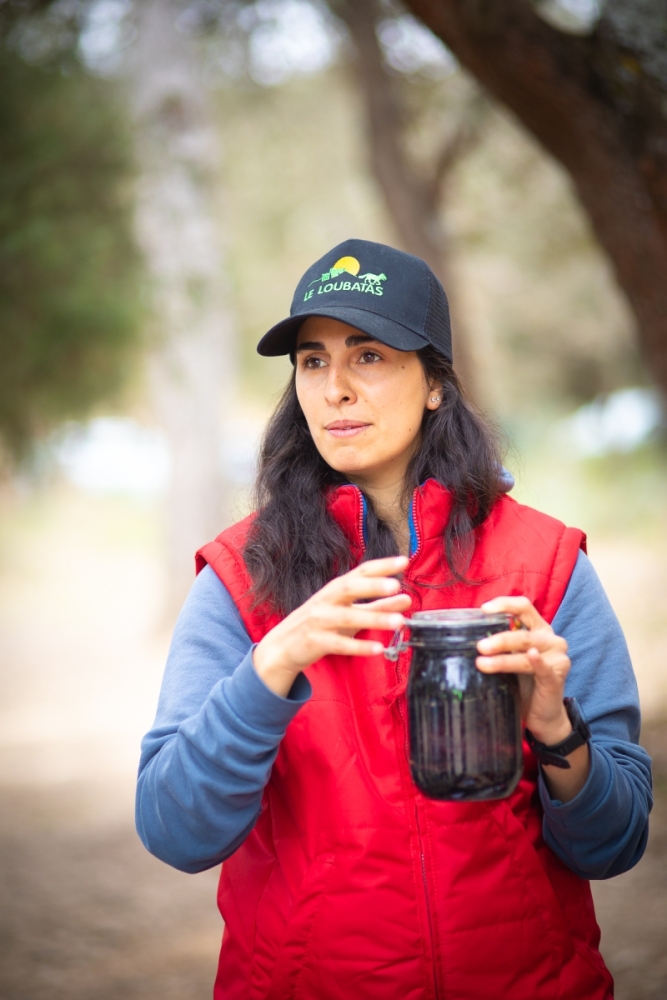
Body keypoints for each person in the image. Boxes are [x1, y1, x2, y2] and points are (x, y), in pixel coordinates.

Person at [136, 239, 652, 1000]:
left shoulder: (546, 564)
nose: (334, 389)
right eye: (312, 361)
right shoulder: (239, 579)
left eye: (368, 356)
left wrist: (554, 728)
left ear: (436, 383)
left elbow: (614, 844)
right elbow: (176, 833)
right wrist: (269, 670)